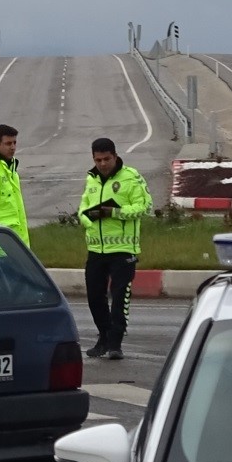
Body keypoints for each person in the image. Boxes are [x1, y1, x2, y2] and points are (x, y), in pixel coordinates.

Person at [78, 137, 150, 360]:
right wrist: (86, 218)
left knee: (119, 297)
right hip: (96, 250)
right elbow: (83, 208)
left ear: (115, 156)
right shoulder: (92, 179)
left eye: (106, 159)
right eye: (98, 159)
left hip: (123, 249)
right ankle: (104, 336)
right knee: (94, 297)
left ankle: (115, 343)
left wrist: (114, 212)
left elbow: (145, 206)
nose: (102, 164)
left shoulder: (131, 177)